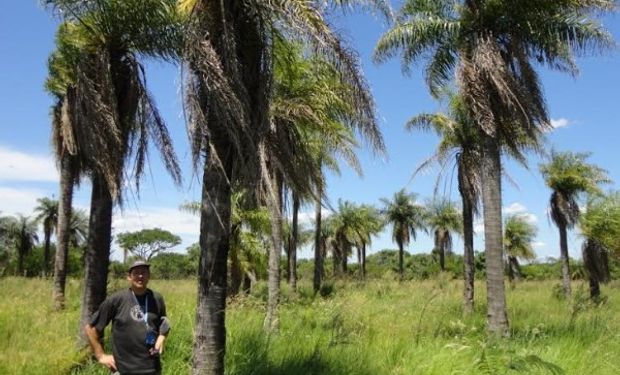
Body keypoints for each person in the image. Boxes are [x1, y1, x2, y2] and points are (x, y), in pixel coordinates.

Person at [85, 260, 170, 375]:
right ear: (129, 277)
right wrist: (100, 355)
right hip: (123, 369)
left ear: (149, 276)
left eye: (144, 272)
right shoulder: (116, 300)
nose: (140, 276)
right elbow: (90, 329)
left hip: (152, 369)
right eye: (136, 273)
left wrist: (162, 336)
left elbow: (163, 323)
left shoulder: (156, 298)